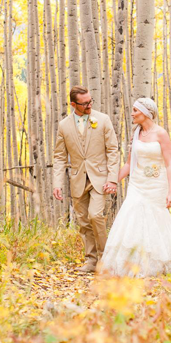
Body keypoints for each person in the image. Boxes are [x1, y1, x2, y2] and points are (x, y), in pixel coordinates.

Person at [97, 98, 171, 277]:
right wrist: (113, 180)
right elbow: (129, 164)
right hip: (137, 183)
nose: (132, 114)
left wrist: (170, 190)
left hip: (156, 184)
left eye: (136, 111)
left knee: (156, 221)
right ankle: (131, 264)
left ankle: (159, 262)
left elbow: (169, 164)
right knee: (132, 217)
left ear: (145, 113)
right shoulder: (135, 134)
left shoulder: (161, 134)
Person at [52, 86, 121, 273]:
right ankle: (91, 261)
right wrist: (57, 183)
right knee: (83, 222)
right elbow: (59, 156)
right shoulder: (63, 125)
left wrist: (113, 179)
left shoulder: (103, 120)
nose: (90, 105)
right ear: (74, 104)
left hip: (100, 178)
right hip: (77, 179)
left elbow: (113, 151)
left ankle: (105, 259)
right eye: (85, 103)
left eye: (91, 101)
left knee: (96, 215)